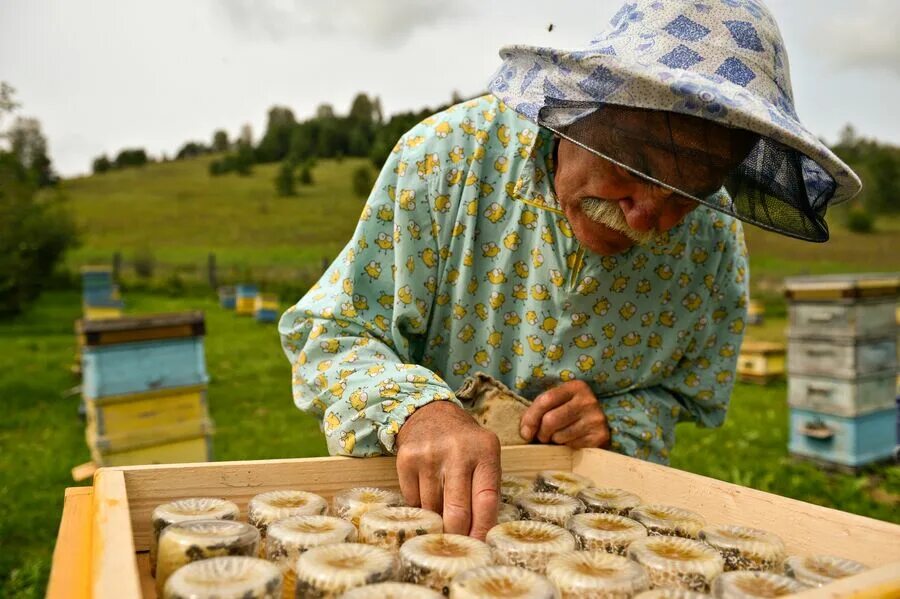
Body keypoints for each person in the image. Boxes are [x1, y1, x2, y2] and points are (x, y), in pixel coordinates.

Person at [279, 0, 860, 540]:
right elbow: (332, 333)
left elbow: (683, 395)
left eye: (688, 196)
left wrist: (615, 420)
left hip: (594, 540)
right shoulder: (445, 158)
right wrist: (419, 413)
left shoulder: (712, 242)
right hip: (413, 521)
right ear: (584, 108)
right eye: (639, 168)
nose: (646, 217)